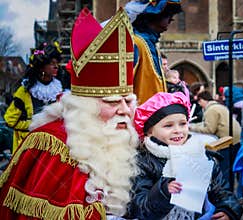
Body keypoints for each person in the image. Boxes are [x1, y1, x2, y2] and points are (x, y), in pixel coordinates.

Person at [0, 8, 139, 219]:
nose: (125, 111)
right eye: (112, 102)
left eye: (128, 101)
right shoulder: (51, 147)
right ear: (84, 104)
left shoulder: (119, 137)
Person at [126, 92, 243, 220]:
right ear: (149, 131)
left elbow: (220, 190)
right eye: (168, 125)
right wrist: (163, 191)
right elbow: (139, 208)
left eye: (182, 123)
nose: (178, 130)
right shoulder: (143, 162)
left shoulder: (200, 156)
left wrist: (228, 209)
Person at [4, 47, 63, 154]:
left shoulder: (59, 88)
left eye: (56, 62)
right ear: (41, 67)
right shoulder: (25, 91)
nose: (56, 66)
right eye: (51, 63)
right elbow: (10, 121)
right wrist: (34, 124)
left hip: (53, 145)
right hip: (30, 146)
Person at [125, 0, 182, 104]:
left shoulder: (152, 45)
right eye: (167, 15)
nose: (171, 20)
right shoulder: (137, 43)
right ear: (154, 16)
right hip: (140, 116)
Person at [189, 91, 241, 191]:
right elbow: (206, 124)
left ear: (202, 100)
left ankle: (225, 193)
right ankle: (229, 190)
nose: (199, 105)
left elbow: (209, 129)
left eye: (199, 102)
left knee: (224, 169)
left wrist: (191, 128)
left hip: (226, 141)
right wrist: (194, 126)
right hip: (234, 140)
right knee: (230, 169)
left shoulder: (211, 110)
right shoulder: (219, 106)